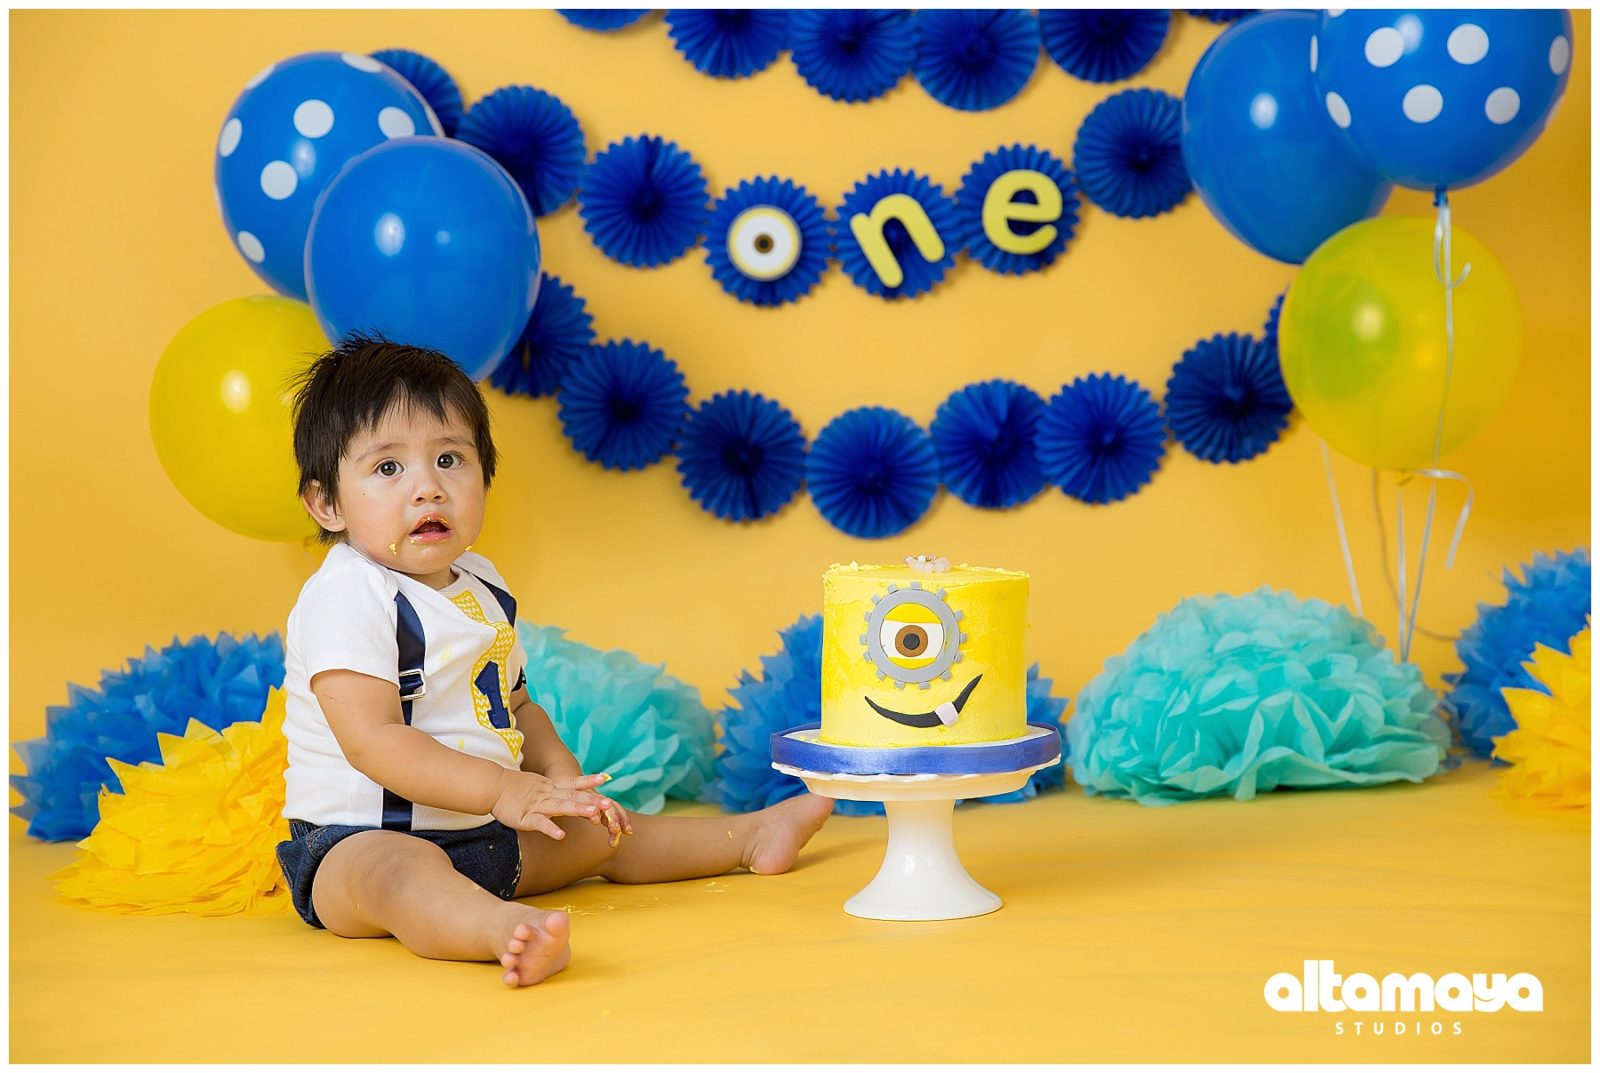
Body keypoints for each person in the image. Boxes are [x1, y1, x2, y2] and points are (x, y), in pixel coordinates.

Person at [277, 333, 832, 987]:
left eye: (449, 459)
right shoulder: (349, 593)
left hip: (486, 835)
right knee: (398, 875)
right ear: (327, 503)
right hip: (355, 843)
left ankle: (750, 836)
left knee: (608, 834)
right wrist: (505, 789)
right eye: (389, 468)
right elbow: (373, 740)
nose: (428, 488)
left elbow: (516, 706)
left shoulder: (482, 586)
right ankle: (499, 930)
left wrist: (561, 782)